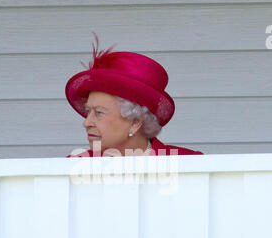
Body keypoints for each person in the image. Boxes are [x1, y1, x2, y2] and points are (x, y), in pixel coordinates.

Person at [65, 33, 203, 157]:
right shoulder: (74, 165)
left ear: (135, 123)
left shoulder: (188, 163)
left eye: (99, 112)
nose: (86, 123)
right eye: (88, 111)